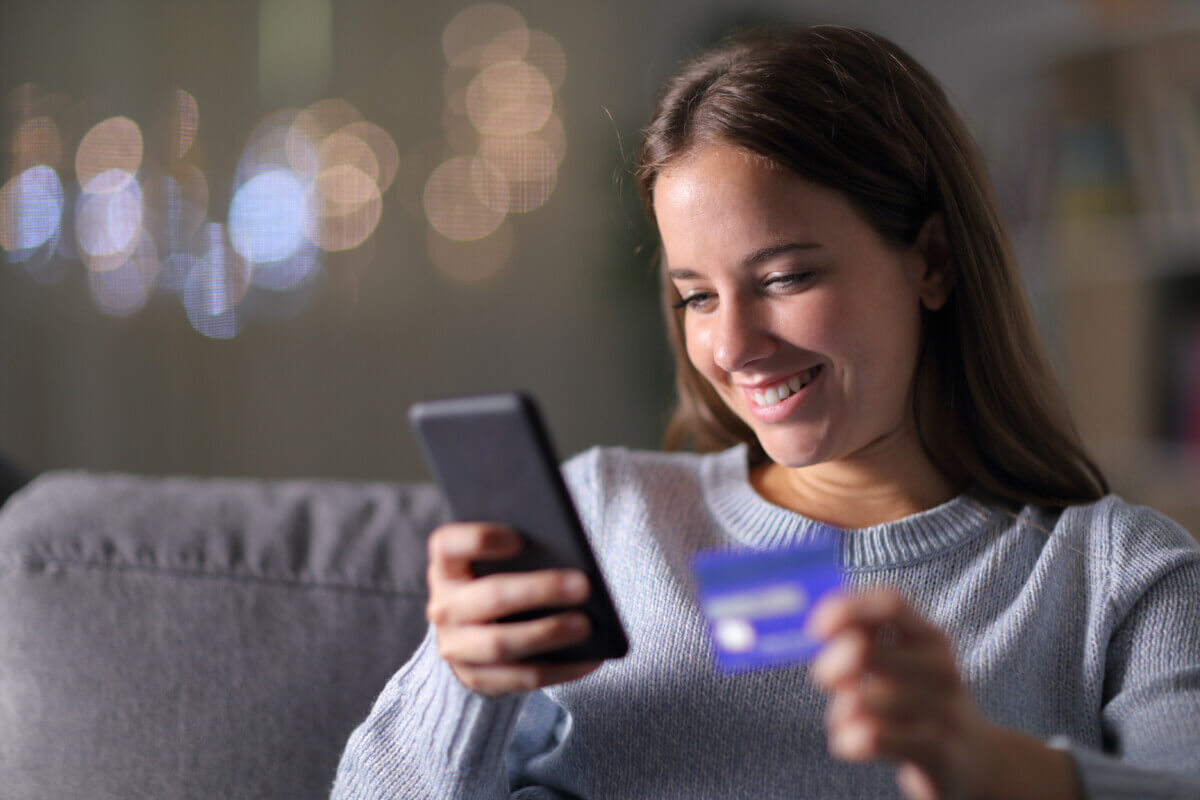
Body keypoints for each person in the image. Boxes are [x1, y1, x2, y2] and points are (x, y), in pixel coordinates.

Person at [332, 25, 1200, 799]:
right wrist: (464, 687)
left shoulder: (1117, 578)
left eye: (785, 278)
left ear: (932, 261)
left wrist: (991, 768)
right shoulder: (604, 518)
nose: (734, 346)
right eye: (698, 296)